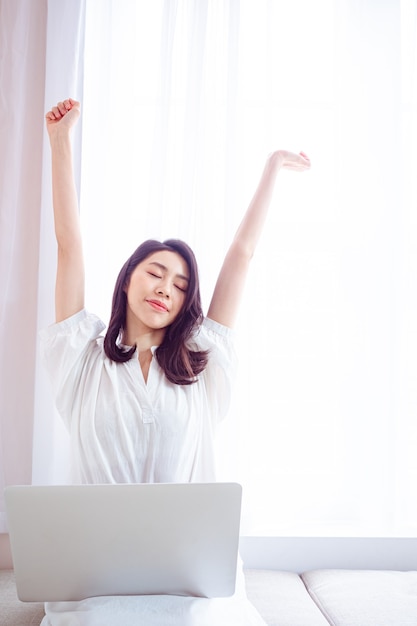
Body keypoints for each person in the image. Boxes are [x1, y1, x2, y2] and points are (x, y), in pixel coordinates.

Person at [40, 98, 310, 626]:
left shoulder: (201, 361)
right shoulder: (82, 356)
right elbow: (68, 246)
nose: (166, 288)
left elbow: (242, 254)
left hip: (186, 581)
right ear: (127, 278)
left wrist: (272, 167)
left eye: (181, 285)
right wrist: (59, 143)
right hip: (97, 576)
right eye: (155, 273)